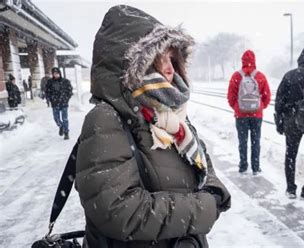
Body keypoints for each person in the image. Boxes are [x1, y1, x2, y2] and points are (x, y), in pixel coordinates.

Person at [75, 5, 231, 247]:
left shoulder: (170, 114)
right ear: (132, 65)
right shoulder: (106, 119)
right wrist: (203, 208)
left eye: (172, 58)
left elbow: (203, 165)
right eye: (159, 59)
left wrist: (214, 189)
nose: (169, 69)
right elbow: (119, 211)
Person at [274, 46, 304, 199]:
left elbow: (279, 100)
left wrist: (279, 121)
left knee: (290, 154)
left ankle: (291, 188)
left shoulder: (289, 76)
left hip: (291, 119)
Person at [227, 50, 271, 175]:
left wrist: (237, 107)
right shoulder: (260, 76)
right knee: (256, 141)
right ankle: (255, 167)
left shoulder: (236, 76)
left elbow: (231, 96)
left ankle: (243, 165)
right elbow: (267, 96)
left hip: (240, 115)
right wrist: (260, 107)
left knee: (242, 141)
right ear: (254, 61)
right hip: (257, 115)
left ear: (242, 61)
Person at [45, 67, 73, 140]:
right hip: (55, 103)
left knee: (65, 119)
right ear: (52, 74)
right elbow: (47, 92)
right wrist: (49, 99)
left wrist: (66, 98)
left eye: (57, 73)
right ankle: (61, 126)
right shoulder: (50, 82)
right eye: (54, 74)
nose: (56, 75)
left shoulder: (65, 81)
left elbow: (70, 91)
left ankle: (66, 133)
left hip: (64, 103)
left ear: (59, 73)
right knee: (56, 118)